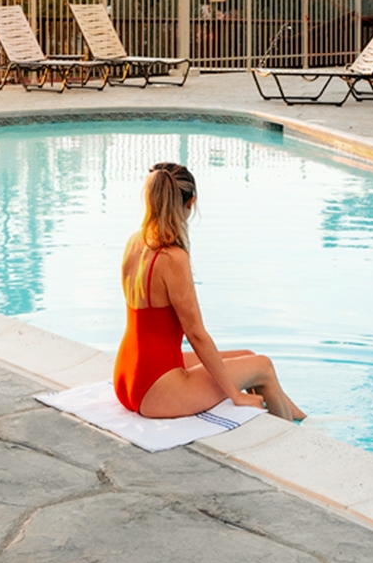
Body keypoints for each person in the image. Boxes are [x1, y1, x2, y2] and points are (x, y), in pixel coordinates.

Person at [111, 160, 305, 422]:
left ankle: (301, 419)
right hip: (156, 388)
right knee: (264, 366)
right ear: (190, 202)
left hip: (126, 375)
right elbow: (196, 335)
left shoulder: (135, 242)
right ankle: (290, 439)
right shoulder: (172, 257)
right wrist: (235, 394)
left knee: (248, 358)